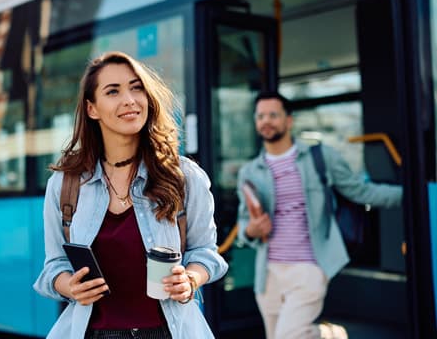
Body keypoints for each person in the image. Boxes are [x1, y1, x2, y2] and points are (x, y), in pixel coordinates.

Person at [34, 51, 228, 339]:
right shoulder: (65, 184)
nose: (129, 100)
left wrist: (190, 279)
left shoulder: (184, 176)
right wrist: (69, 286)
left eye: (136, 88)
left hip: (169, 332)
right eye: (113, 91)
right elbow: (54, 266)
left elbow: (205, 253)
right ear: (92, 109)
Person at [236, 91, 402, 339]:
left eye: (273, 115)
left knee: (288, 335)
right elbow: (243, 226)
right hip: (268, 272)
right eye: (260, 116)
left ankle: (327, 334)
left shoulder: (320, 157)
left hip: (309, 265)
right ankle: (327, 334)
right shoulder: (250, 172)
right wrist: (252, 230)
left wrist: (413, 194)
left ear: (288, 121)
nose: (266, 121)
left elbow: (360, 191)